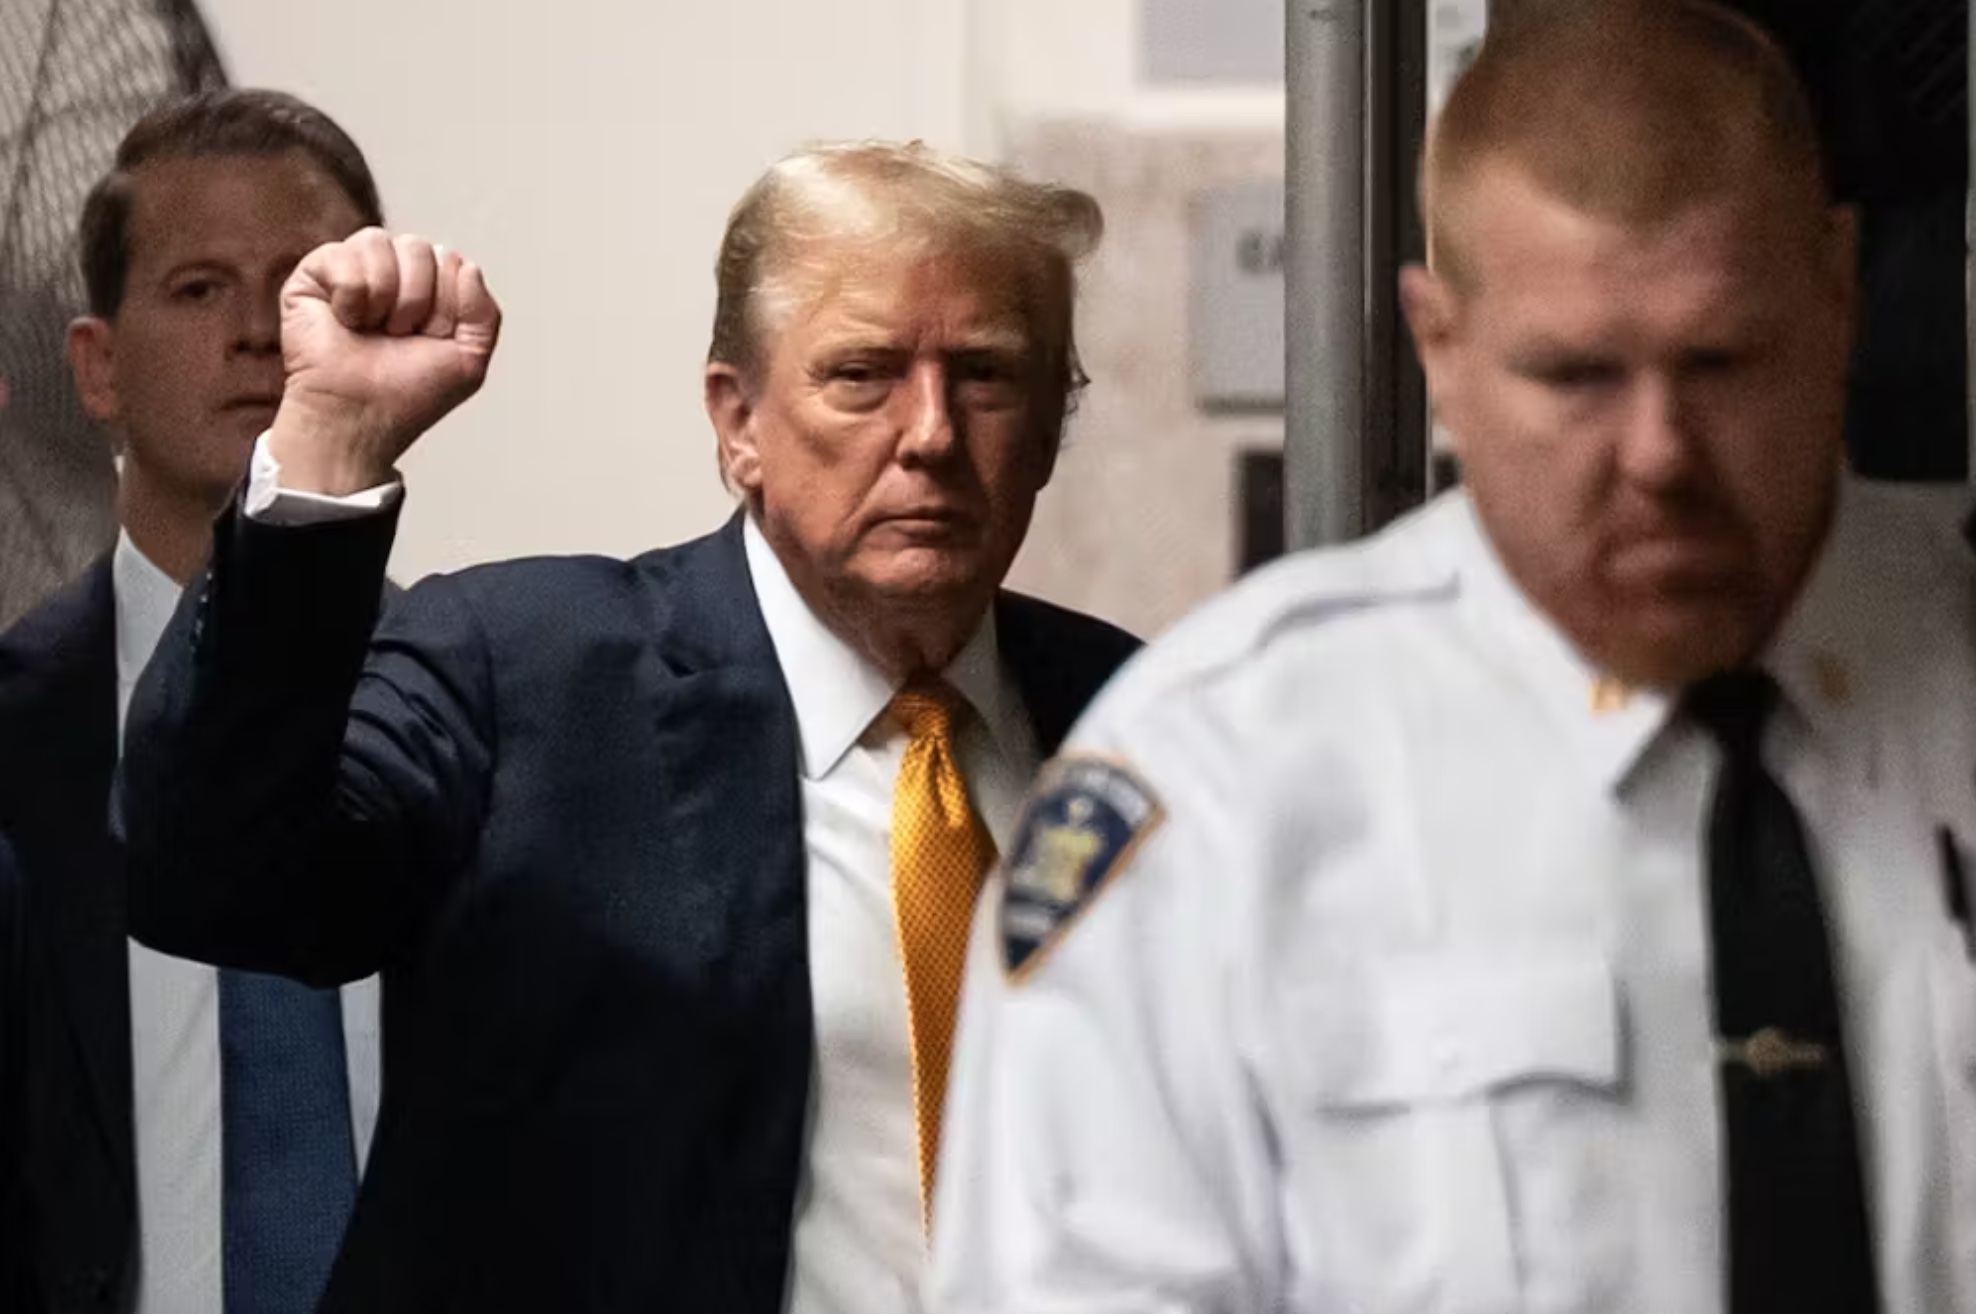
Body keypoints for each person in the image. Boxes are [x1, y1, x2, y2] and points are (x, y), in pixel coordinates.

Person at [929, 3, 1976, 1312]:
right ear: (1443, 348)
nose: (1659, 453)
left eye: (1723, 362)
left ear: (1839, 293)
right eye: (1577, 374)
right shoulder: (1222, 792)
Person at [118, 141, 1138, 1312]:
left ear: (1054, 425)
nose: (929, 435)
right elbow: (213, 876)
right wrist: (329, 447)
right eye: (860, 375)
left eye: (988, 376)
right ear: (737, 419)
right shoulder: (530, 671)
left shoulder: (1141, 720)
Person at [0, 90, 387, 1314]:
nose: (260, 333)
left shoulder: (492, 709)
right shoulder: (11, 737)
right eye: (197, 288)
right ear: (96, 370)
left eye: (305, 287)